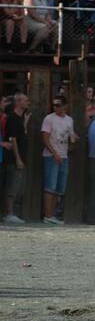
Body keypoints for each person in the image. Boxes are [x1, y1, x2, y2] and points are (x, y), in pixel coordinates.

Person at [41, 95, 79, 225]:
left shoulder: (69, 120)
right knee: (50, 186)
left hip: (64, 154)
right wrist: (54, 153)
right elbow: (45, 138)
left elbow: (71, 136)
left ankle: (53, 214)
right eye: (54, 105)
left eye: (58, 105)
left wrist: (73, 140)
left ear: (65, 106)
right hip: (51, 155)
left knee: (60, 187)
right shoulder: (49, 119)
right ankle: (48, 215)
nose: (55, 107)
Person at [3, 93, 29, 224]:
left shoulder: (20, 118)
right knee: (12, 186)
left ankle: (13, 212)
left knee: (18, 186)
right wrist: (18, 158)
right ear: (17, 102)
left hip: (21, 157)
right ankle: (9, 213)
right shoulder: (12, 118)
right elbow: (13, 139)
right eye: (25, 100)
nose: (27, 102)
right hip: (13, 159)